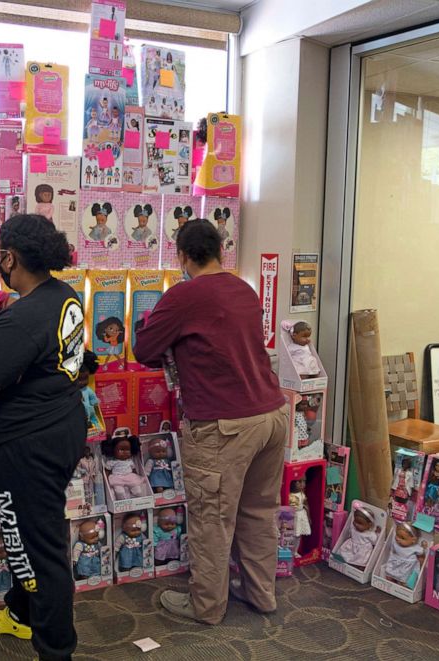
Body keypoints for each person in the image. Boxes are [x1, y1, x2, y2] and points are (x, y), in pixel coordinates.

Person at [132, 218, 288, 625]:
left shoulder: (185, 295)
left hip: (224, 425)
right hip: (271, 415)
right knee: (258, 512)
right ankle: (261, 594)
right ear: (221, 251)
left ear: (183, 256)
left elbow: (145, 348)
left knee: (212, 520)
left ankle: (206, 606)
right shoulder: (245, 290)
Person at [0, 214, 85, 661]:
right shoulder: (63, 296)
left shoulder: (23, 319)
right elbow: (32, 328)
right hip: (60, 428)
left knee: (40, 548)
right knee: (26, 532)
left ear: (10, 257)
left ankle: (55, 650)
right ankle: (22, 612)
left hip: (28, 444)